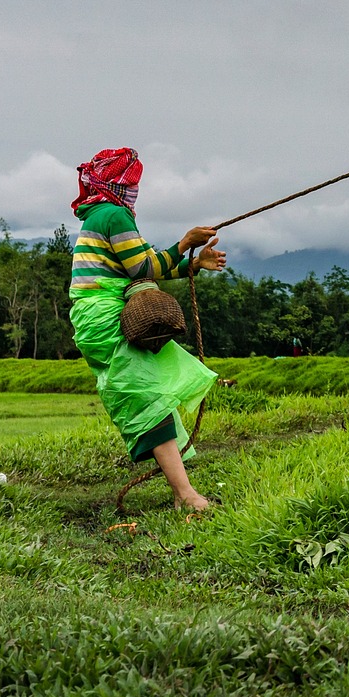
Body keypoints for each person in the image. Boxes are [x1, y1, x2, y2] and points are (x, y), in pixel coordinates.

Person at [67, 148, 226, 512]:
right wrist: (184, 244)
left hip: (94, 316)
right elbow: (143, 269)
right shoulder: (115, 214)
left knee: (148, 392)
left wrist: (195, 263)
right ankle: (185, 496)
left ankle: (182, 491)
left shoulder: (100, 214)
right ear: (121, 184)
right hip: (105, 315)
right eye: (133, 183)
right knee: (146, 396)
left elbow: (139, 264)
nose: (135, 190)